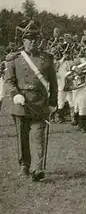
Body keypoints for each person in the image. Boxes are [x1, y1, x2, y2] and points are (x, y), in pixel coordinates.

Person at [4, 20, 58, 181]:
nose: (32, 43)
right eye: (29, 40)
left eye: (35, 40)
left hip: (40, 103)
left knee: (38, 136)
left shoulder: (47, 59)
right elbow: (9, 81)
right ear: (23, 41)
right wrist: (15, 94)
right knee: (23, 137)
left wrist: (53, 103)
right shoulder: (14, 59)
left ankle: (38, 168)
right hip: (21, 104)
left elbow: (54, 84)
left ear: (39, 41)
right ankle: (24, 165)